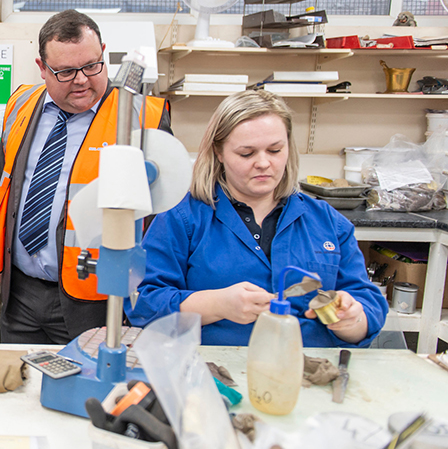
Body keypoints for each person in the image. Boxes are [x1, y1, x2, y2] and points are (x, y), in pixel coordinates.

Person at [129, 90, 388, 347]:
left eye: (275, 150)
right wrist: (216, 305)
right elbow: (143, 304)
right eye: (247, 153)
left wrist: (351, 320)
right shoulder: (182, 218)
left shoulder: (327, 223)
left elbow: (368, 307)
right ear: (219, 152)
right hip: (213, 373)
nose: (263, 163)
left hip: (310, 372)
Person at [0, 9, 171, 344]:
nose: (82, 80)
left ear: (103, 53)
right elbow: (7, 188)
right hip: (19, 293)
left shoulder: (143, 118)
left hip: (95, 299)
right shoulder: (20, 104)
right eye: (67, 71)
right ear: (42, 69)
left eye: (92, 65)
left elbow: (162, 221)